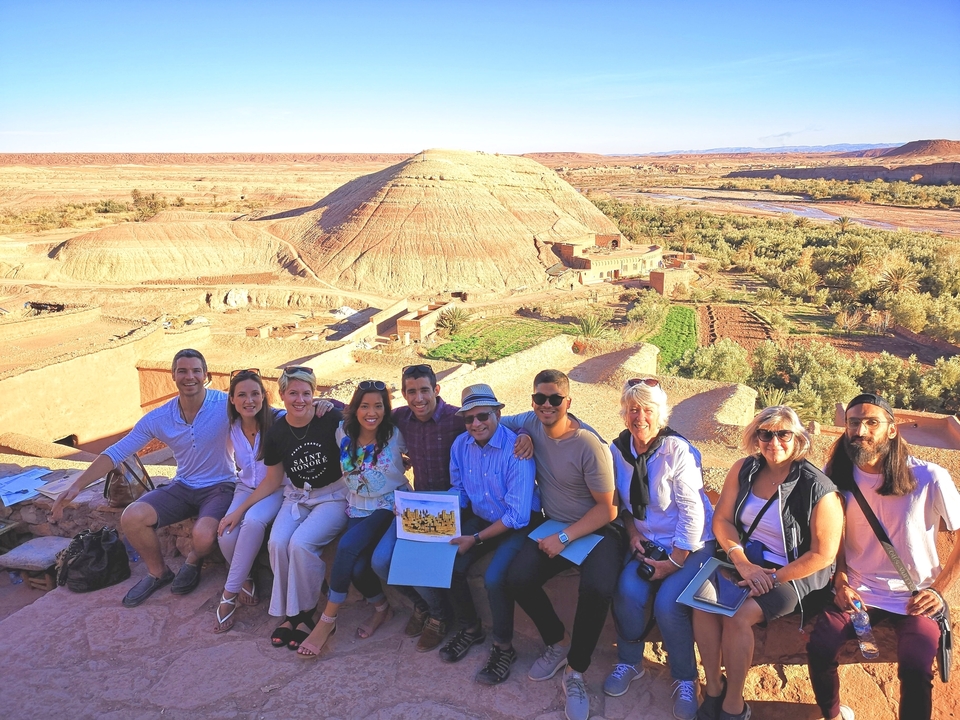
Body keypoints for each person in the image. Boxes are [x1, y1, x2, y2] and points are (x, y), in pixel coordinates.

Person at [807, 393, 960, 720]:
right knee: (820, 648)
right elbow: (835, 537)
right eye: (853, 423)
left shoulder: (929, 477)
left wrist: (938, 590)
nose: (861, 430)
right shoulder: (835, 476)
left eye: (871, 422)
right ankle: (833, 715)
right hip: (860, 593)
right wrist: (841, 580)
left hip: (916, 597)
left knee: (917, 670)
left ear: (891, 430)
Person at [51, 349, 238, 607]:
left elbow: (267, 414)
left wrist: (312, 406)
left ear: (206, 375)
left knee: (204, 535)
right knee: (132, 516)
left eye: (196, 370)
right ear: (173, 375)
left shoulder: (225, 404)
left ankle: (193, 561)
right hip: (182, 485)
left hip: (221, 485)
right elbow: (117, 451)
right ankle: (158, 572)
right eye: (182, 371)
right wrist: (76, 486)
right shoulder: (160, 418)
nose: (189, 376)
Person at [695, 405, 842, 720]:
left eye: (783, 434)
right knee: (702, 605)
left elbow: (822, 555)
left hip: (794, 575)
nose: (774, 442)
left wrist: (773, 579)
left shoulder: (817, 487)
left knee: (737, 618)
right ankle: (714, 690)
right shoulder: (744, 469)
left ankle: (734, 705)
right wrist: (743, 562)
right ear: (756, 437)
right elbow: (722, 520)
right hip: (746, 561)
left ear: (797, 438)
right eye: (766, 434)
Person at [501, 369, 620, 720]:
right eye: (540, 398)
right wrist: (522, 432)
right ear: (533, 401)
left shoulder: (588, 445)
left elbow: (608, 508)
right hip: (554, 522)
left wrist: (565, 537)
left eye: (555, 399)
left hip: (596, 530)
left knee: (597, 588)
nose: (547, 405)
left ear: (568, 402)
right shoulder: (531, 421)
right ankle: (558, 642)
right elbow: (495, 421)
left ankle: (576, 671)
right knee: (517, 578)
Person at [604, 378, 716, 720]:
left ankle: (685, 678)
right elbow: (620, 504)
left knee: (670, 604)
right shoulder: (617, 450)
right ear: (624, 414)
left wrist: (675, 561)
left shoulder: (677, 451)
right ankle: (629, 661)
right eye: (633, 409)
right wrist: (632, 532)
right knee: (627, 590)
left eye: (648, 410)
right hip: (647, 542)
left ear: (661, 415)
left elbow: (693, 512)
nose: (640, 417)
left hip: (691, 544)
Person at [416, 383, 538, 684]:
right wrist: (419, 510)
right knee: (448, 564)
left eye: (483, 416)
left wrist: (476, 539)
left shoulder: (516, 450)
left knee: (496, 578)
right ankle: (471, 628)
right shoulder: (461, 446)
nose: (476, 424)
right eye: (468, 419)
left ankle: (503, 647)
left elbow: (517, 516)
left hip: (516, 526)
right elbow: (460, 493)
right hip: (482, 516)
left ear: (497, 413)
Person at [219, 366, 346, 650]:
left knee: (300, 544)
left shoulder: (330, 418)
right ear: (282, 395)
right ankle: (291, 614)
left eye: (306, 393)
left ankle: (305, 614)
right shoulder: (276, 432)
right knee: (277, 543)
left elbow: (358, 424)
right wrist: (238, 511)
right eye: (293, 393)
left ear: (314, 395)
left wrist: (331, 403)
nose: (299, 400)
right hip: (296, 497)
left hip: (333, 497)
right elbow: (272, 480)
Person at [297, 380, 411, 657]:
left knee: (347, 546)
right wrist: (322, 402)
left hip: (389, 504)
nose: (372, 412)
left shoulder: (395, 434)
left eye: (378, 406)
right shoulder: (342, 432)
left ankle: (327, 620)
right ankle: (381, 609)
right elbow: (326, 410)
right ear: (355, 408)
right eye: (365, 406)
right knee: (359, 569)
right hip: (358, 505)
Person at [369, 363, 465, 649]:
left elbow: (502, 422)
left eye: (424, 390)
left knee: (420, 564)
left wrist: (523, 434)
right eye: (411, 392)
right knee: (381, 561)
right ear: (404, 394)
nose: (419, 398)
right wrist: (325, 403)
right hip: (416, 505)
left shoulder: (457, 418)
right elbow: (367, 414)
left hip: (452, 506)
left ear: (436, 389)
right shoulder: (402, 418)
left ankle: (439, 615)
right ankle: (422, 605)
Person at [213, 369, 284, 633]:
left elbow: (308, 411)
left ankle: (228, 595)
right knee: (225, 535)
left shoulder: (278, 423)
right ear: (232, 399)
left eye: (255, 394)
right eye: (242, 395)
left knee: (252, 522)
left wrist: (325, 404)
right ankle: (246, 577)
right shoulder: (231, 427)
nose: (249, 400)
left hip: (275, 489)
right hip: (245, 487)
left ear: (264, 397)